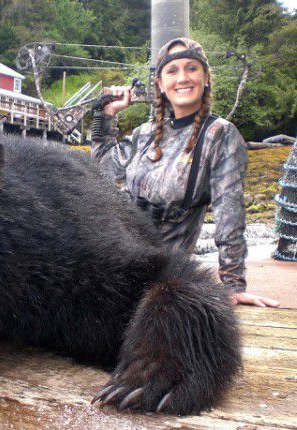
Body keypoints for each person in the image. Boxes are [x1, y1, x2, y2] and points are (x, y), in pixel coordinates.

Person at [91, 37, 279, 307]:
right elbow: (101, 171)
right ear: (160, 84)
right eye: (172, 70)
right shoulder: (144, 134)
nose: (183, 78)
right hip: (115, 268)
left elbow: (230, 215)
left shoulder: (220, 135)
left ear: (206, 78)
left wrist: (234, 283)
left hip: (161, 284)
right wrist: (107, 115)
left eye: (192, 68)